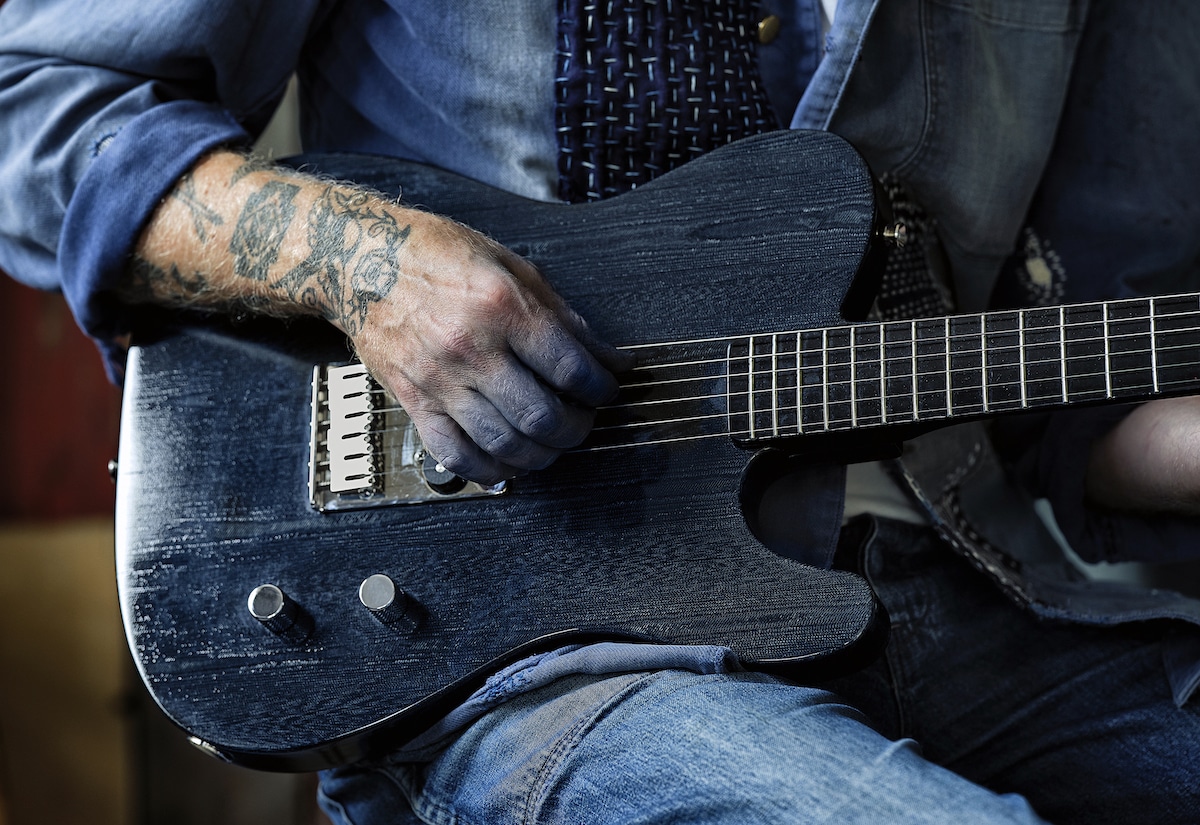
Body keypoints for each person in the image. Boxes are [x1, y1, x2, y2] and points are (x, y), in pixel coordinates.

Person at [2, 0, 1199, 822]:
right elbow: (32, 102)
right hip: (540, 656)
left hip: (953, 589)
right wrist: (371, 268)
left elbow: (1074, 383)